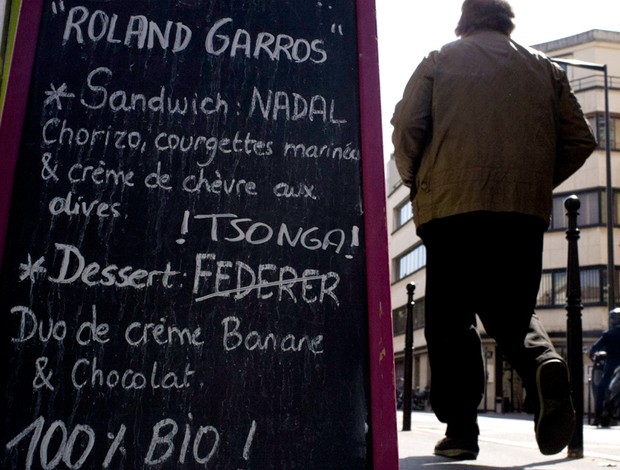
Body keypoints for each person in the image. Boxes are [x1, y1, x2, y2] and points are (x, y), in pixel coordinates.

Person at [391, 0, 597, 460]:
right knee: (511, 309)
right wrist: (532, 182)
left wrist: (418, 181)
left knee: (450, 322)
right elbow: (582, 139)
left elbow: (407, 128)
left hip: (453, 213)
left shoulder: (439, 60)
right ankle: (543, 362)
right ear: (507, 22)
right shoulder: (546, 69)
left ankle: (462, 433)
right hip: (521, 214)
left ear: (464, 22)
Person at [589, 309, 620, 427]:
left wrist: (593, 353)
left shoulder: (608, 334)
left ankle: (597, 417)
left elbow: (594, 347)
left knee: (601, 389)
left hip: (611, 368)